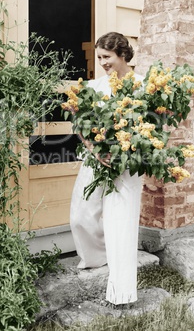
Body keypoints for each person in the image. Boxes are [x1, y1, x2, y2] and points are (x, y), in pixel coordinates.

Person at [70, 32, 144, 305]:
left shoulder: (142, 85)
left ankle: (122, 293)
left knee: (121, 224)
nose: (101, 62)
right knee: (81, 213)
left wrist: (127, 152)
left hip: (126, 165)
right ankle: (97, 258)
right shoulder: (96, 86)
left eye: (106, 57)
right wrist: (94, 150)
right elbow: (80, 123)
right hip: (95, 159)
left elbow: (153, 131)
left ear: (123, 55)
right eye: (99, 57)